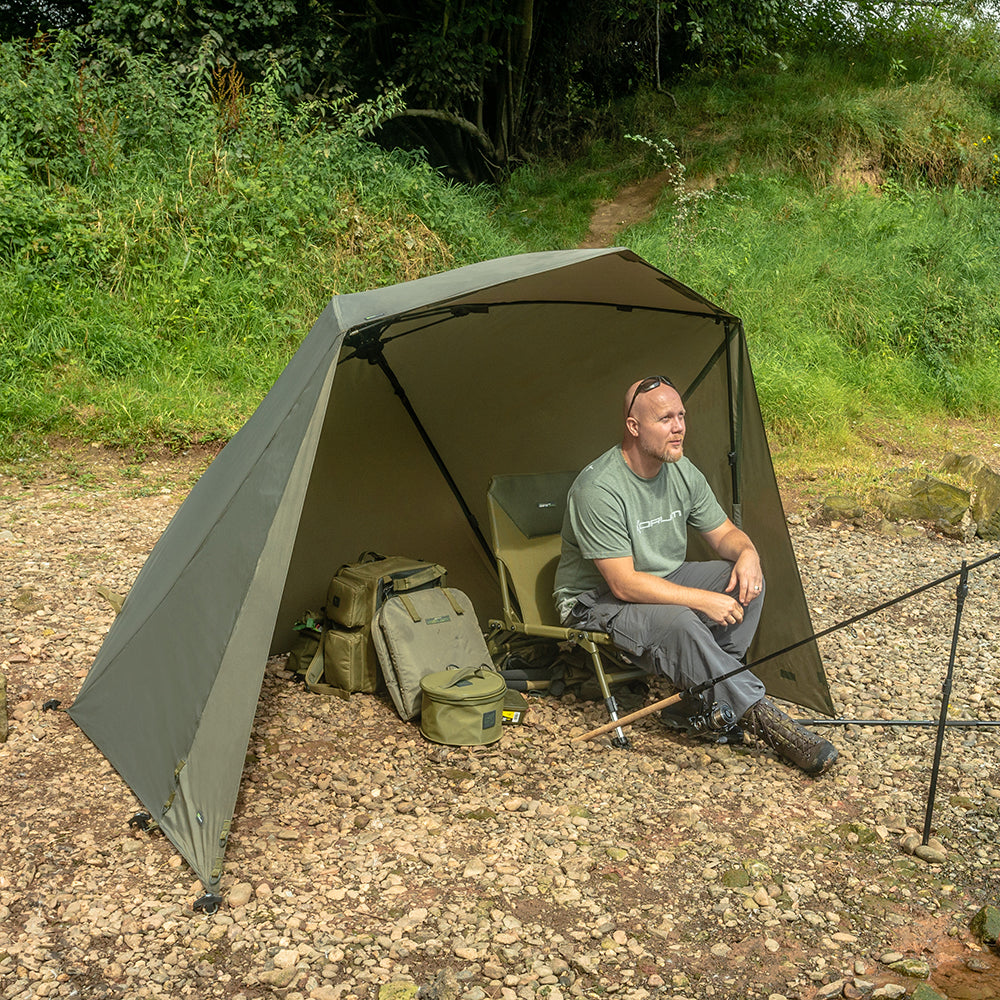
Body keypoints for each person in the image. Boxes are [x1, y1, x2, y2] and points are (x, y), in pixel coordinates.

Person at [553, 376, 837, 776]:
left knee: (741, 581)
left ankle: (699, 703)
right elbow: (623, 583)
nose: (679, 427)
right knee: (681, 618)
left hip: (661, 577)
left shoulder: (682, 470)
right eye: (665, 418)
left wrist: (749, 554)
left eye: (681, 416)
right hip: (595, 600)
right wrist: (700, 599)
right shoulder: (599, 487)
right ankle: (769, 723)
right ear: (634, 427)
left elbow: (724, 535)